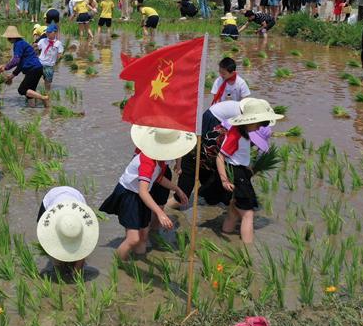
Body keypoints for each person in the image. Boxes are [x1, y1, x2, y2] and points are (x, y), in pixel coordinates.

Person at [99, 126, 194, 260]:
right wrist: (160, 213)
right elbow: (143, 191)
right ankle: (118, 266)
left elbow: (159, 178)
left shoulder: (159, 160)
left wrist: (177, 189)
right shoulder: (147, 160)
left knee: (143, 235)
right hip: (129, 195)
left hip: (140, 195)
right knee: (133, 239)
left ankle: (138, 266)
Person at [206, 99, 282, 244]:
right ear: (249, 120)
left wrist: (247, 167)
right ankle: (248, 253)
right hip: (236, 175)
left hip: (240, 172)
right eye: (260, 123)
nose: (260, 127)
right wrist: (224, 180)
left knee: (234, 213)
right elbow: (220, 157)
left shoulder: (244, 132)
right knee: (248, 214)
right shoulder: (235, 134)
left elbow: (238, 156)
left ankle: (225, 240)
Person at [36, 186, 99, 274]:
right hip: (52, 197)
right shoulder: (50, 223)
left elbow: (84, 249)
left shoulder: (84, 224)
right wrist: (58, 269)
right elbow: (51, 247)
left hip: (75, 197)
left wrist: (76, 273)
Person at [0, 25, 50, 107]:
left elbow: (16, 60)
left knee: (22, 90)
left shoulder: (18, 44)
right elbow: (20, 64)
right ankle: (32, 112)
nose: (8, 40)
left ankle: (43, 98)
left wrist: (4, 67)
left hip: (33, 69)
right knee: (30, 93)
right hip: (37, 69)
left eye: (9, 38)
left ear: (13, 37)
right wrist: (11, 76)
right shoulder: (21, 43)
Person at [36, 24, 64, 92]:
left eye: (50, 32)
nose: (47, 33)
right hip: (40, 63)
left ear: (55, 32)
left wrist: (56, 62)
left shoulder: (58, 43)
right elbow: (36, 48)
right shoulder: (43, 40)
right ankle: (34, 94)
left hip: (49, 65)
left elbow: (60, 54)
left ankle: (47, 94)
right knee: (35, 80)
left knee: (48, 82)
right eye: (47, 32)